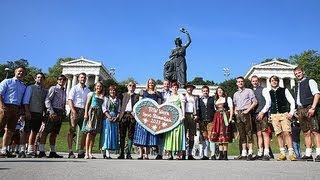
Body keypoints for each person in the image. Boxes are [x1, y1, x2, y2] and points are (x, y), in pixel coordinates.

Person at [293, 67, 320, 162]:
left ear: (303, 72)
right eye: (296, 74)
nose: (298, 75)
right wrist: (295, 110)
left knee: (315, 131)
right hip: (300, 109)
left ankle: (319, 153)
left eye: (299, 73)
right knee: (306, 132)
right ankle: (308, 154)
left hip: (309, 107)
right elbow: (297, 99)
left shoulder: (310, 81)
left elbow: (317, 94)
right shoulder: (296, 86)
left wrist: (313, 107)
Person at [0, 66, 27, 158]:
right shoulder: (7, 81)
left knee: (10, 130)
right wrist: (2, 106)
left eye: (23, 72)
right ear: (15, 72)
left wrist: (21, 111)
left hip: (16, 109)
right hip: (5, 106)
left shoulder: (23, 86)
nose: (21, 73)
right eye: (19, 71)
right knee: (0, 127)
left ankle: (4, 149)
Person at [269, 75, 297, 161]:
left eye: (276, 80)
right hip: (274, 115)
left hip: (284, 114)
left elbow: (292, 101)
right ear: (270, 82)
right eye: (272, 80)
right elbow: (268, 104)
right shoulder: (268, 92)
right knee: (278, 134)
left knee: (287, 132)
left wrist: (291, 112)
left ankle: (291, 153)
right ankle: (282, 153)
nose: (274, 82)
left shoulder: (284, 90)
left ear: (278, 81)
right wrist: (269, 115)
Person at [38, 74, 67, 158]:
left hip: (60, 112)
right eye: (60, 79)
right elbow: (47, 100)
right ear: (57, 80)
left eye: (64, 80)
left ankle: (52, 151)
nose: (62, 81)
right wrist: (51, 112)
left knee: (54, 133)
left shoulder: (64, 91)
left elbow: (63, 103)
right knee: (46, 132)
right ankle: (42, 151)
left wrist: (64, 112)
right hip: (53, 111)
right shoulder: (53, 88)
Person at [133, 79, 161, 160]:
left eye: (152, 83)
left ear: (154, 84)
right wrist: (137, 112)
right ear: (147, 84)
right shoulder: (143, 92)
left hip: (152, 117)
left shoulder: (157, 94)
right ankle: (141, 154)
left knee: (149, 136)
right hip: (143, 116)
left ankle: (147, 155)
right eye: (149, 83)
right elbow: (139, 103)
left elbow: (158, 106)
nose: (151, 84)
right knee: (141, 134)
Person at [22, 72, 47, 158]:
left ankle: (30, 149)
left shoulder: (45, 91)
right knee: (26, 131)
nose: (40, 79)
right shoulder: (30, 88)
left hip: (39, 113)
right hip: (30, 111)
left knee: (34, 132)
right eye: (38, 77)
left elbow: (44, 104)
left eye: (41, 78)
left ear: (44, 80)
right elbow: (26, 100)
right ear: (35, 79)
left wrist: (44, 114)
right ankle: (22, 150)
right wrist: (27, 111)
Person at [233, 76, 257, 161]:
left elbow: (254, 102)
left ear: (244, 82)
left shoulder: (249, 91)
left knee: (249, 132)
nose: (240, 83)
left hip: (246, 112)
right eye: (238, 81)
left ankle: (250, 152)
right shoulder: (235, 94)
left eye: (241, 81)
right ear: (236, 83)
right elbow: (235, 104)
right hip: (238, 113)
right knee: (242, 133)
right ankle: (244, 153)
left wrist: (248, 110)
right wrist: (235, 112)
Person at [67, 72, 90, 158]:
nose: (83, 79)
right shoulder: (74, 88)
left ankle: (81, 151)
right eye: (81, 77)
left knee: (84, 131)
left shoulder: (88, 90)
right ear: (78, 78)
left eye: (84, 77)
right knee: (71, 131)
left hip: (84, 111)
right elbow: (70, 100)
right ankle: (70, 151)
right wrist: (73, 110)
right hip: (75, 109)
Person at [250, 75, 271, 161]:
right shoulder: (250, 91)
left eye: (256, 81)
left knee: (265, 133)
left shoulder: (264, 89)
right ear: (251, 82)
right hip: (254, 114)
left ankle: (266, 152)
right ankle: (260, 152)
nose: (255, 82)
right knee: (258, 134)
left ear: (258, 81)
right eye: (253, 81)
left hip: (262, 113)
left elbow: (268, 102)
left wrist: (263, 112)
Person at [82, 82, 105, 159]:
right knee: (89, 133)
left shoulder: (102, 96)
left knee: (94, 134)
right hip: (91, 113)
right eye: (98, 86)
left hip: (98, 114)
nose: (99, 87)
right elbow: (87, 104)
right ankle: (86, 153)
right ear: (95, 87)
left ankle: (90, 152)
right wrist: (86, 114)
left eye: (100, 86)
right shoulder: (91, 94)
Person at [164, 81, 186, 160]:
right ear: (171, 88)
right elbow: (165, 108)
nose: (174, 88)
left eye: (176, 87)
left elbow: (183, 107)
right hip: (170, 120)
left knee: (178, 135)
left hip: (178, 119)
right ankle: (169, 154)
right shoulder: (169, 97)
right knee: (169, 136)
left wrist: (183, 116)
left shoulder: (180, 96)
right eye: (173, 87)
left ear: (178, 88)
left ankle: (178, 154)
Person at [210, 87, 234, 160]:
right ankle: (220, 154)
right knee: (218, 135)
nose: (220, 92)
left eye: (221, 90)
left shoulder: (227, 98)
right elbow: (215, 110)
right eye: (218, 91)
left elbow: (231, 108)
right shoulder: (216, 100)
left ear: (223, 91)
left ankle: (225, 154)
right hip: (217, 118)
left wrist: (230, 117)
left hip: (225, 117)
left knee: (225, 134)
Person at [118, 81, 140, 159]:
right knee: (122, 135)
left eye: (133, 85)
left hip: (132, 116)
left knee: (130, 135)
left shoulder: (137, 96)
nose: (131, 87)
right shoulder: (123, 95)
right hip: (123, 115)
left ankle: (128, 153)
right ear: (127, 86)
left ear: (135, 87)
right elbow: (119, 105)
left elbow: (140, 106)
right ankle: (122, 153)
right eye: (130, 85)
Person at [100, 85, 121, 159]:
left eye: (114, 90)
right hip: (107, 118)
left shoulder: (118, 100)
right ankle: (106, 151)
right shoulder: (106, 98)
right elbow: (104, 108)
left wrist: (116, 117)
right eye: (111, 90)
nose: (112, 92)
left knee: (112, 134)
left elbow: (119, 110)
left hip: (114, 118)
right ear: (109, 91)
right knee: (107, 134)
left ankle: (108, 151)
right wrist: (109, 117)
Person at [197, 85, 216, 160]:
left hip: (210, 120)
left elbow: (215, 109)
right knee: (204, 138)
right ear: (202, 92)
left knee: (211, 137)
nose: (205, 92)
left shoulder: (212, 99)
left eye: (206, 91)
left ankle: (213, 154)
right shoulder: (199, 100)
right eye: (204, 91)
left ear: (208, 91)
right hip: (202, 121)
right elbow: (198, 110)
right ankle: (205, 155)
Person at [156, 79, 171, 160]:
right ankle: (160, 153)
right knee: (161, 135)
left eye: (168, 84)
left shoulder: (172, 93)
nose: (166, 85)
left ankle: (169, 153)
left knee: (168, 135)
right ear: (163, 84)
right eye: (165, 84)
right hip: (161, 116)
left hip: (169, 115)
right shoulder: (159, 93)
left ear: (169, 85)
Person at [183, 83, 198, 160]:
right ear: (186, 89)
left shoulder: (195, 97)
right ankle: (183, 153)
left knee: (192, 134)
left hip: (192, 115)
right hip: (185, 115)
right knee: (183, 134)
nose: (189, 89)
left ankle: (190, 153)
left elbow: (197, 107)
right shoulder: (183, 96)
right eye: (188, 88)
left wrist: (196, 115)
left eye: (191, 88)